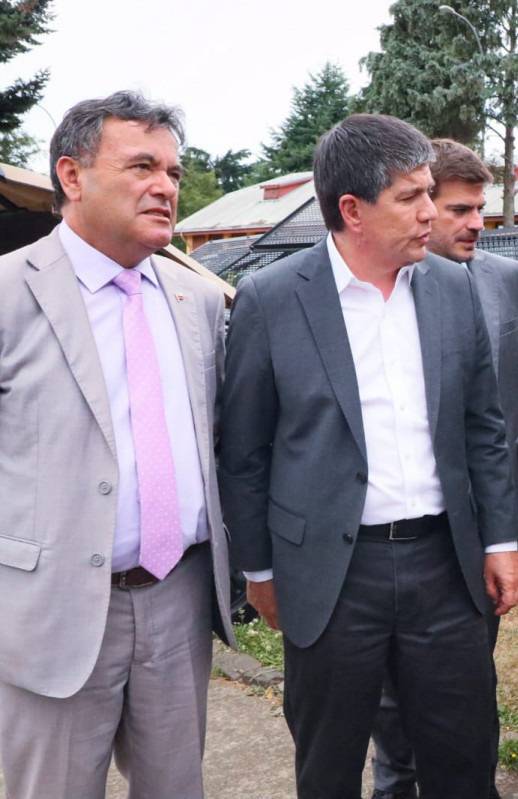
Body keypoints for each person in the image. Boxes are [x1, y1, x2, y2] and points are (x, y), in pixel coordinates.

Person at [217, 115, 518, 799]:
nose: (429, 213)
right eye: (411, 197)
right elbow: (244, 448)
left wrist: (501, 539)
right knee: (328, 766)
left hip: (446, 566)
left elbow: (483, 424)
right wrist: (260, 569)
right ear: (351, 210)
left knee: (463, 759)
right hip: (330, 574)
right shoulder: (272, 300)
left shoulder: (451, 287)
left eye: (429, 194)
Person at [0, 91, 234, 799]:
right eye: (141, 166)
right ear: (72, 177)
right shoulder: (9, 292)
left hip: (179, 594)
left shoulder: (197, 302)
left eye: (172, 169)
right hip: (55, 610)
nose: (166, 186)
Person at [368, 138, 518, 799]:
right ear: (418, 207)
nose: (476, 225)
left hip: (485, 519)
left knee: (466, 669)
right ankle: (395, 778)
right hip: (400, 519)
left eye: (481, 211)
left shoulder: (497, 279)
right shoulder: (379, 292)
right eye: (460, 209)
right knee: (386, 679)